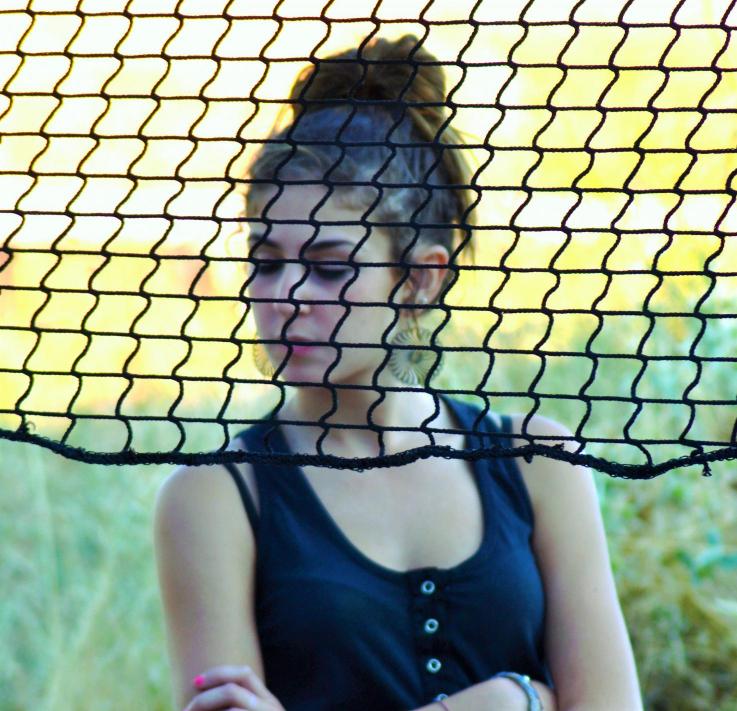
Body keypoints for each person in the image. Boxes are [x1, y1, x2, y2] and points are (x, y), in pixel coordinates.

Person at [153, 35, 642, 711]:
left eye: (329, 267)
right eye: (265, 261)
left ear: (418, 280)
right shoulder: (214, 498)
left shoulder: (538, 463)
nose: (285, 295)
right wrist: (510, 701)